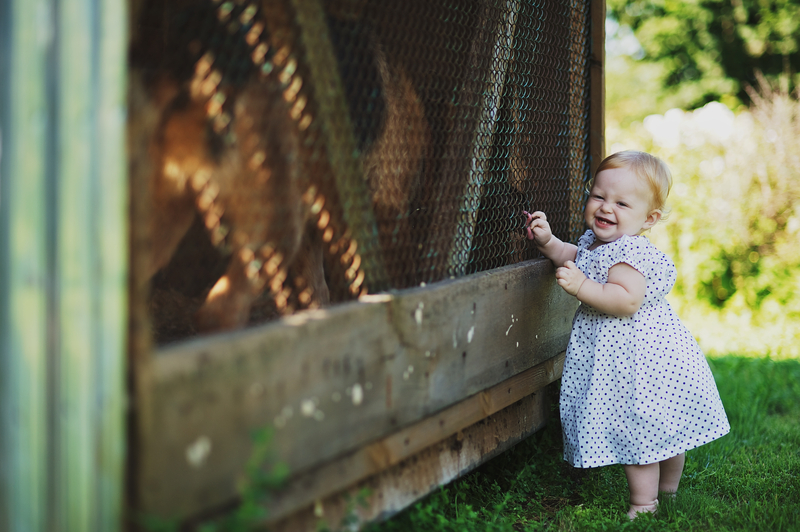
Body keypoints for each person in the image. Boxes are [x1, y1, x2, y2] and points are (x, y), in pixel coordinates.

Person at [523, 150, 730, 520]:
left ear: (649, 219)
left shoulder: (628, 252)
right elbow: (576, 255)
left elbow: (625, 300)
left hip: (634, 359)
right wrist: (549, 242)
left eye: (621, 203)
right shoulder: (598, 243)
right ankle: (668, 493)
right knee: (663, 424)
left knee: (639, 427)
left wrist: (582, 286)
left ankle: (645, 503)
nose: (606, 207)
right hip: (644, 354)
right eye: (598, 196)